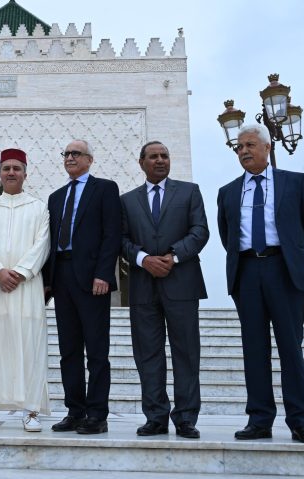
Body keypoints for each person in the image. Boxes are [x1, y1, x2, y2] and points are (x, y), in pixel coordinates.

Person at [217, 123, 304, 445]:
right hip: (247, 271)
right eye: (239, 147)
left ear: (267, 147)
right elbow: (226, 234)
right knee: (254, 349)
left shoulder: (296, 182)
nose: (243, 151)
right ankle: (259, 420)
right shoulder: (228, 191)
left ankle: (300, 421)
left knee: (290, 347)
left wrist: (291, 256)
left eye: (250, 145)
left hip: (284, 271)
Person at [120, 141, 209, 439]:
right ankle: (155, 417)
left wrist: (174, 256)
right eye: (154, 156)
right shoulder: (127, 201)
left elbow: (200, 231)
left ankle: (186, 418)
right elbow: (121, 239)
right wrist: (143, 259)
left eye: (165, 156)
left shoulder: (189, 192)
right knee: (148, 354)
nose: (160, 160)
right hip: (143, 287)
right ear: (141, 162)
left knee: (186, 353)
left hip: (182, 283)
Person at [42, 139, 120, 434]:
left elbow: (112, 233)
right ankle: (75, 411)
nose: (70, 158)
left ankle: (97, 414)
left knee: (97, 351)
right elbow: (50, 241)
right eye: (66, 154)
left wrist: (104, 274)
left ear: (89, 159)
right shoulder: (56, 197)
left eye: (76, 153)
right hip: (62, 278)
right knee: (69, 350)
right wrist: (48, 282)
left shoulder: (105, 189)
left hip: (92, 279)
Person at [0, 148, 51, 432]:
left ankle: (31, 411)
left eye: (17, 168)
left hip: (26, 288)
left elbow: (42, 244)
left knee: (29, 346)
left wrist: (19, 273)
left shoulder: (38, 208)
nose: (11, 173)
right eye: (6, 168)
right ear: (0, 173)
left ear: (26, 174)